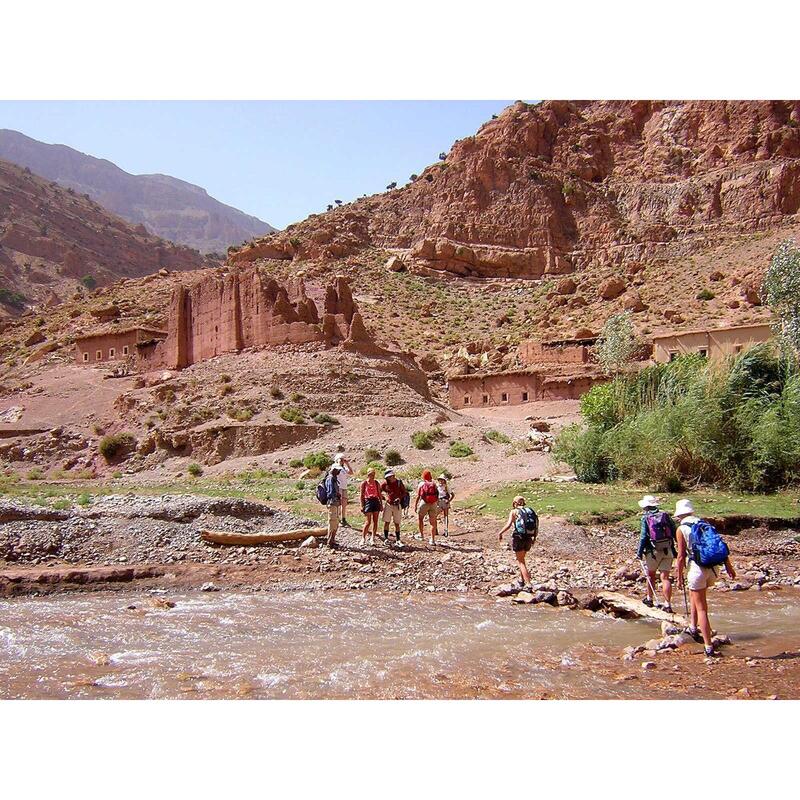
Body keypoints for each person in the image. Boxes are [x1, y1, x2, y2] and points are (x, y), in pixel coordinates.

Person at [674, 498, 737, 657]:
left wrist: (679, 576)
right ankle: (693, 627)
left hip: (696, 569)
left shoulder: (681, 529)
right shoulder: (705, 524)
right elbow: (719, 545)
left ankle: (708, 646)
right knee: (695, 596)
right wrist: (728, 566)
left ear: (679, 515)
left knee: (702, 607)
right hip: (713, 569)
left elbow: (681, 557)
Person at [636, 494, 676, 612]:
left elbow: (643, 537)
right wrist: (675, 550)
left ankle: (649, 599)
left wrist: (639, 552)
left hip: (653, 551)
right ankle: (667, 604)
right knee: (665, 577)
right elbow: (674, 532)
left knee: (651, 575)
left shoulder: (646, 518)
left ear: (646, 506)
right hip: (667, 549)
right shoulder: (665, 515)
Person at [497, 495, 538, 591]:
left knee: (521, 562)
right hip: (529, 537)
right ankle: (521, 580)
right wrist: (534, 538)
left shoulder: (514, 512)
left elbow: (508, 524)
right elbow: (536, 525)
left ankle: (528, 584)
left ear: (514, 503)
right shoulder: (530, 511)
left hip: (518, 537)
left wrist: (500, 533)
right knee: (522, 559)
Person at [380, 469, 407, 547]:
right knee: (387, 522)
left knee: (397, 523)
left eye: (389, 477)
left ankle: (398, 540)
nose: (388, 478)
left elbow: (404, 492)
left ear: (393, 476)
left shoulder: (399, 483)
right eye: (387, 477)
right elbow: (379, 491)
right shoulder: (385, 483)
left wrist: (399, 498)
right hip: (389, 504)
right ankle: (386, 539)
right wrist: (384, 497)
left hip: (397, 505)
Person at [414, 469, 440, 545]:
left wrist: (415, 505)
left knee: (420, 518)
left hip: (424, 503)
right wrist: (436, 503)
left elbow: (418, 496)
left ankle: (421, 535)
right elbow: (437, 495)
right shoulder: (434, 484)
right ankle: (432, 539)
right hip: (433, 503)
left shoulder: (421, 484)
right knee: (433, 522)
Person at [359, 467, 383, 546]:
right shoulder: (364, 483)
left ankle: (373, 538)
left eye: (373, 474)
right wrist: (362, 505)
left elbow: (379, 494)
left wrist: (381, 504)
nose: (372, 476)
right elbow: (361, 495)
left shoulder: (376, 483)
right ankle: (363, 538)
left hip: (375, 501)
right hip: (368, 501)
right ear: (368, 475)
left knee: (375, 521)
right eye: (370, 474)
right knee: (368, 522)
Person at [332, 447, 354, 528]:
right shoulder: (335, 466)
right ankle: (338, 519)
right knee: (338, 504)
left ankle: (343, 518)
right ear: (337, 459)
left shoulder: (344, 468)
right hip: (338, 487)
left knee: (344, 504)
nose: (342, 461)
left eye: (343, 459)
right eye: (340, 459)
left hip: (344, 487)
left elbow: (351, 472)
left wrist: (347, 464)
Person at [325, 464, 342, 548]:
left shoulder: (333, 478)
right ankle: (330, 542)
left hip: (335, 503)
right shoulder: (331, 478)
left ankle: (332, 540)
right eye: (337, 470)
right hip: (332, 502)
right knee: (332, 522)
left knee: (335, 522)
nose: (339, 472)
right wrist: (338, 495)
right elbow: (330, 492)